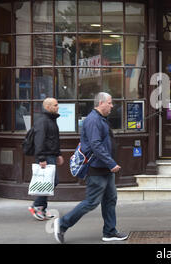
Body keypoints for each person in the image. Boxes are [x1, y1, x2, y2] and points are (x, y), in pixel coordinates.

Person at [54, 92, 127, 243]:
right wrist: (111, 163)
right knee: (91, 202)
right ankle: (62, 224)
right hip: (97, 168)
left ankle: (109, 231)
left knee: (110, 199)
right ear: (101, 103)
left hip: (105, 168)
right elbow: (95, 145)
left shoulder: (101, 119)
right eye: (110, 103)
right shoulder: (93, 120)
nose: (112, 106)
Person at [28, 98, 64, 221]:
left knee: (49, 182)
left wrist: (58, 154)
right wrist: (41, 158)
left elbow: (53, 140)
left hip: (51, 155)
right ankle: (37, 206)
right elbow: (39, 141)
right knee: (51, 182)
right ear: (48, 107)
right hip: (46, 156)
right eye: (55, 105)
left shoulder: (51, 120)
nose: (58, 107)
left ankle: (41, 208)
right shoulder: (43, 121)